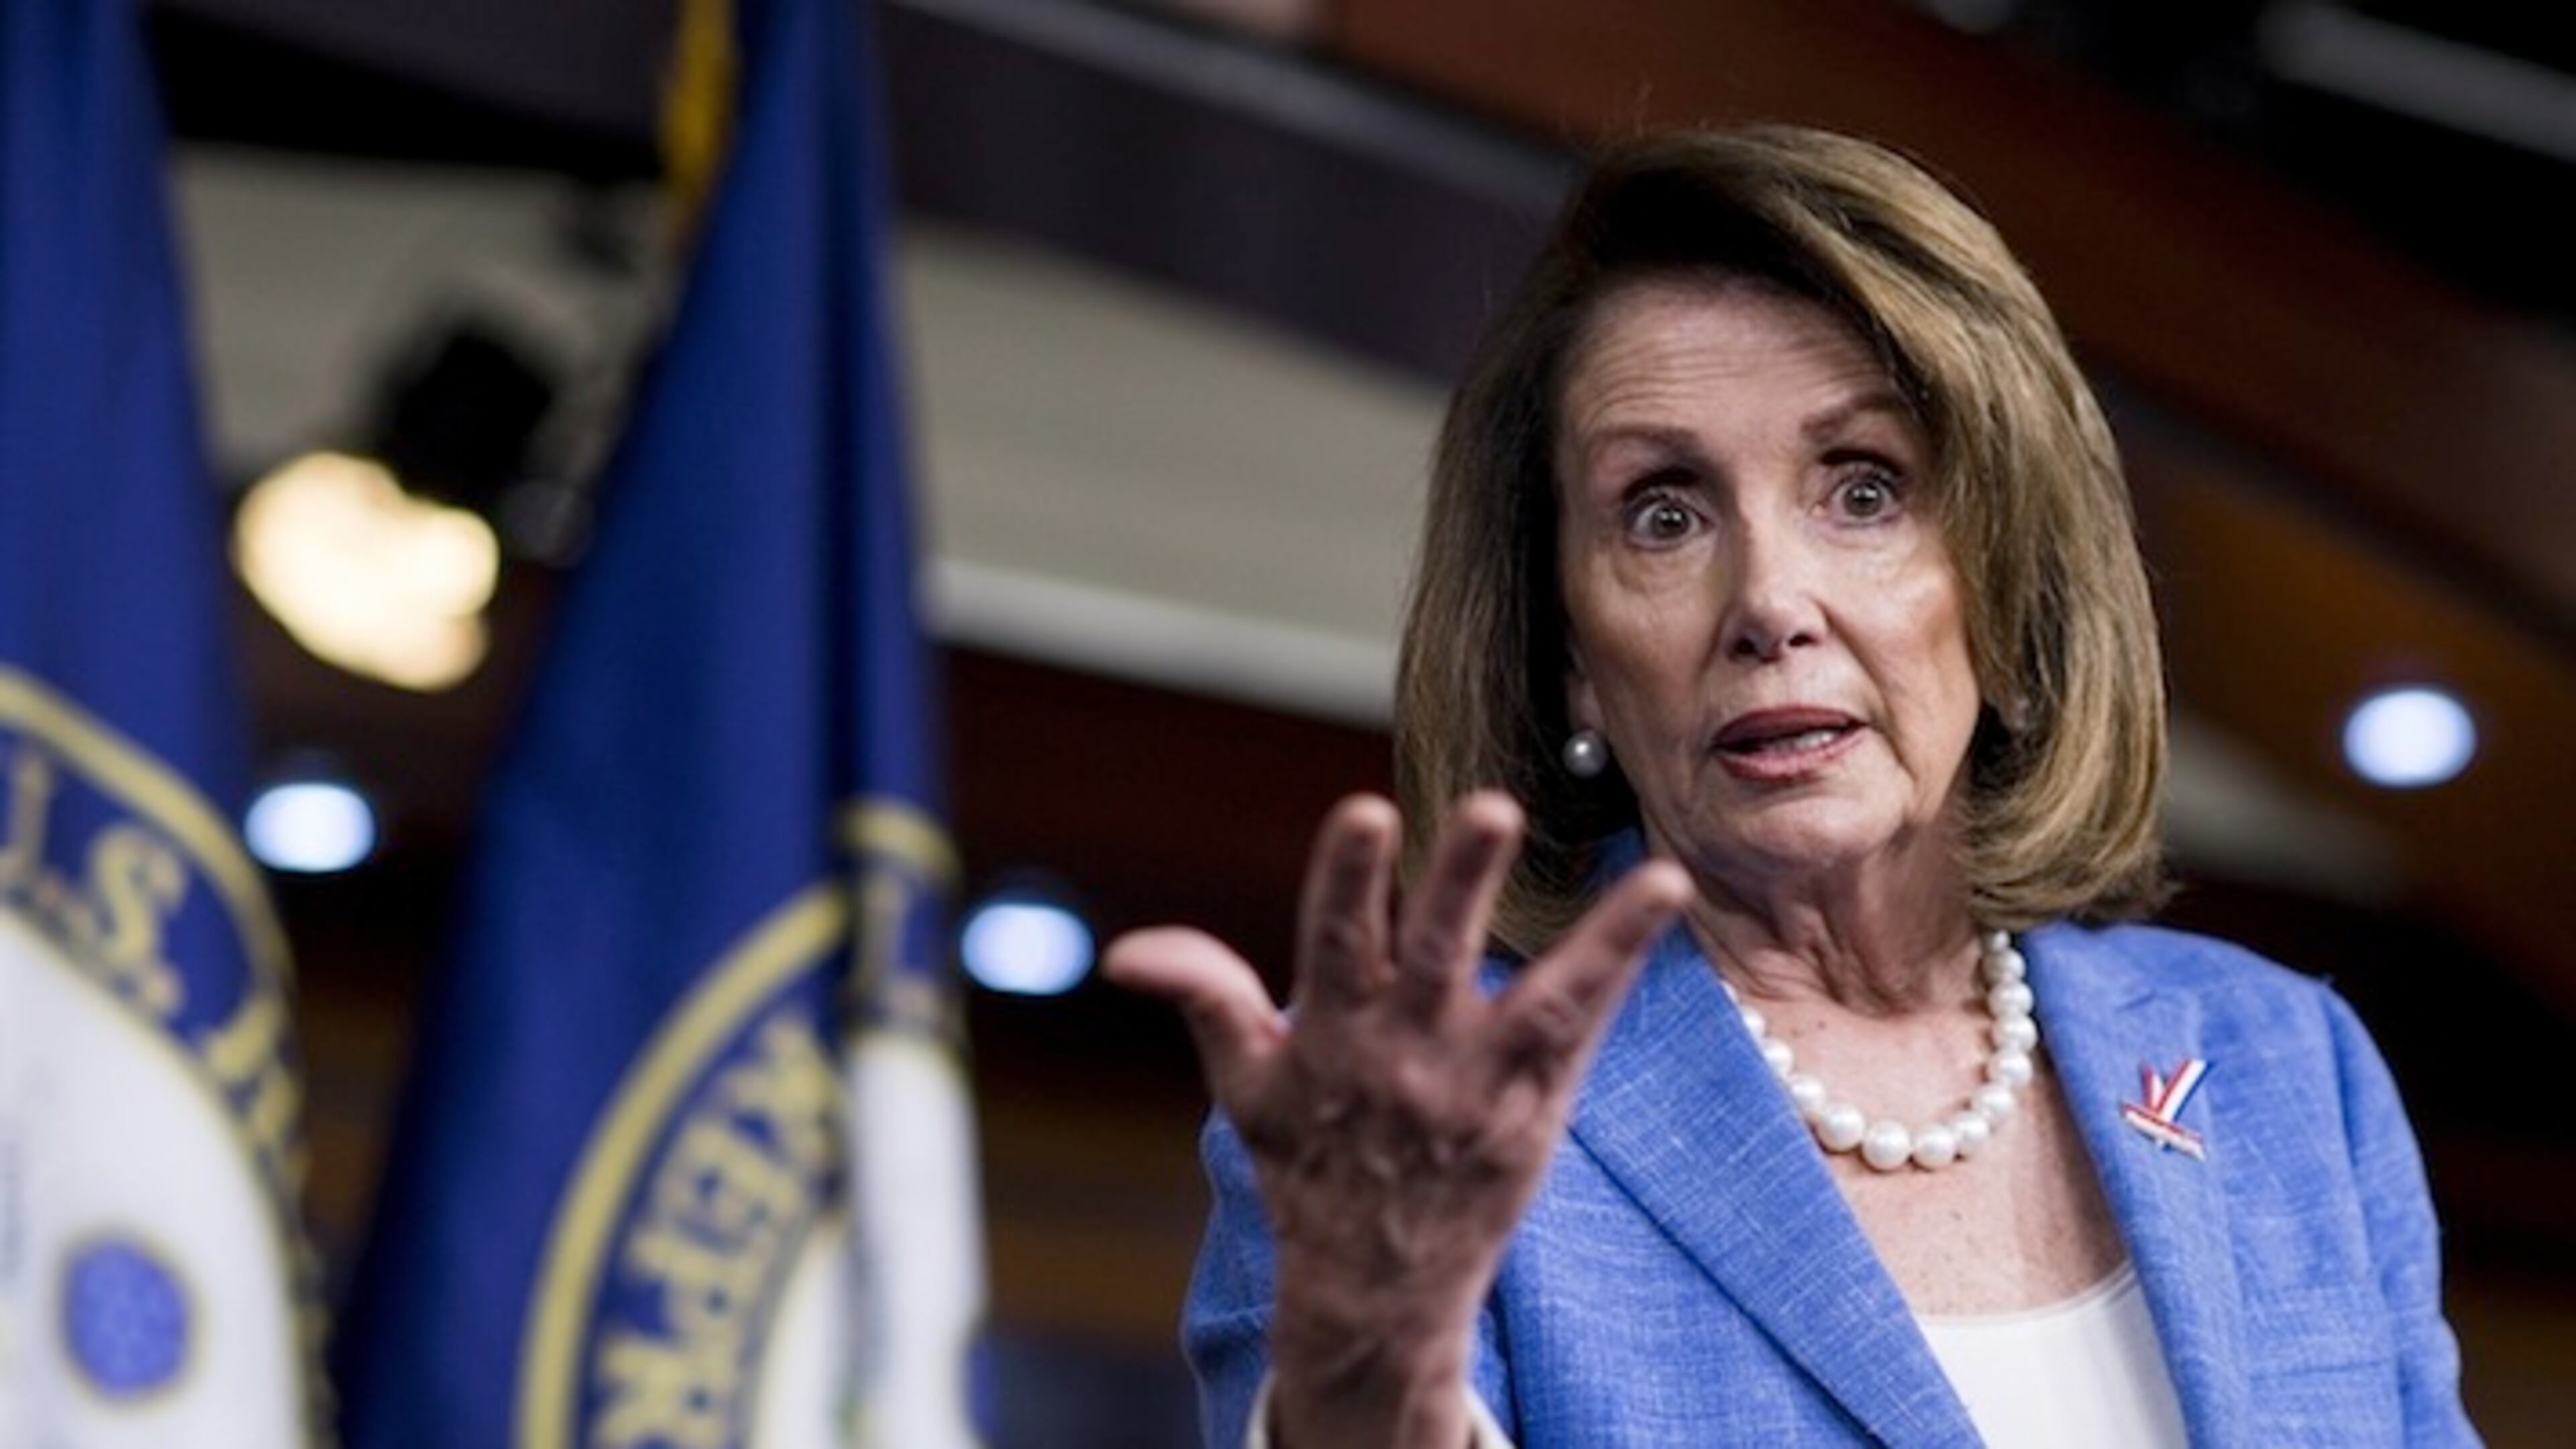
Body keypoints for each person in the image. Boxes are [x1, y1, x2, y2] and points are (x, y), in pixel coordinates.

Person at [1105, 126, 2477, 1448]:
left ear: (2009, 585)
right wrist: (1368, 1390)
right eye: (1663, 512)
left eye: (1865, 490)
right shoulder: (1413, 1128)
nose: (1770, 601)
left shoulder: (2283, 1067)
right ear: (1571, 655)